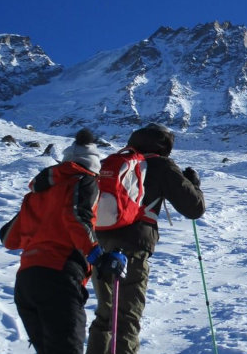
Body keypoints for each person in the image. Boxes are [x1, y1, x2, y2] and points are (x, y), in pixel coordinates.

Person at [0, 128, 127, 354]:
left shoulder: (38, 192)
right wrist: (98, 256)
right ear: (94, 166)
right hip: (60, 277)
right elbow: (77, 218)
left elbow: (9, 238)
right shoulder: (85, 181)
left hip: (26, 281)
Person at [87, 123, 206, 354]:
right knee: (126, 319)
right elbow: (194, 208)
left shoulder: (116, 162)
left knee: (105, 315)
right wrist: (195, 185)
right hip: (131, 248)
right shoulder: (161, 165)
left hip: (99, 245)